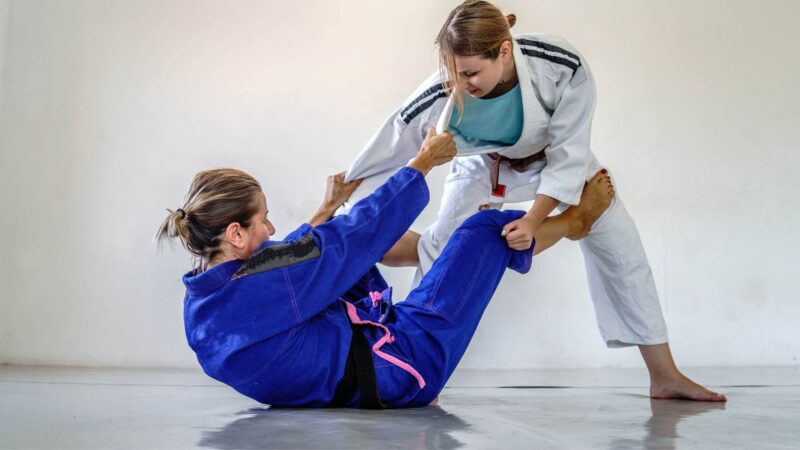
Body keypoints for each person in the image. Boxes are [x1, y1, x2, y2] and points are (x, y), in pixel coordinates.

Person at [340, 0, 725, 401]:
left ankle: (663, 375)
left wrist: (534, 218)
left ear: (504, 51)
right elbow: (389, 142)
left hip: (551, 160)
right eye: (455, 73)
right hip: (481, 165)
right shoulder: (442, 91)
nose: (462, 85)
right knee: (441, 251)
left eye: (472, 73)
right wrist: (342, 196)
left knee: (621, 244)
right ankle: (415, 369)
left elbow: (569, 152)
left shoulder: (562, 66)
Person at [157, 128, 615, 408]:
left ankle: (435, 251)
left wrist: (324, 210)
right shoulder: (266, 285)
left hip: (363, 362)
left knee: (341, 246)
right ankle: (575, 222)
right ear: (235, 234)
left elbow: (290, 261)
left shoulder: (206, 302)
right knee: (481, 231)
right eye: (262, 220)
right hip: (407, 365)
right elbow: (349, 239)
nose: (270, 227)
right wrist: (424, 162)